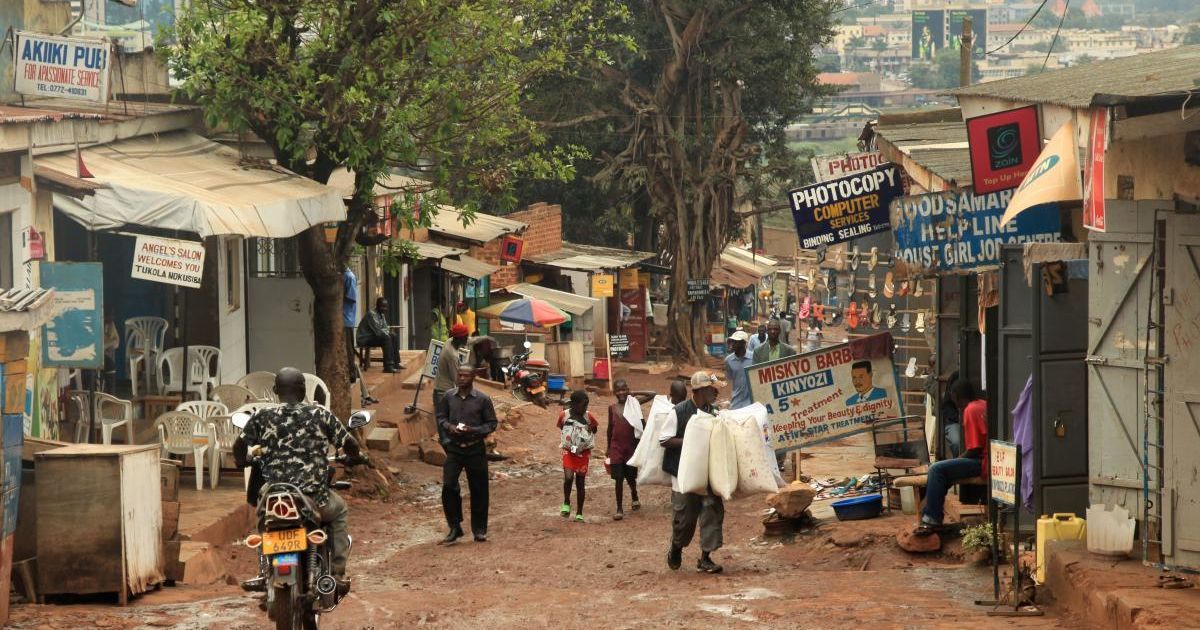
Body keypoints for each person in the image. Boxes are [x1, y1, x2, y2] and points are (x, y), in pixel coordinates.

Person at [234, 367, 365, 593]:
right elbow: (350, 443)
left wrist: (242, 461)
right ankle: (337, 573)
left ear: (276, 391)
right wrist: (356, 457)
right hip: (314, 499)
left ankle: (263, 571)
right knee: (340, 510)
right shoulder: (320, 414)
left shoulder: (262, 416)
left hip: (276, 497)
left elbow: (239, 446)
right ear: (303, 391)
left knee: (263, 517)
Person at [660, 372, 725, 574]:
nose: (714, 393)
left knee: (711, 511)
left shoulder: (714, 412)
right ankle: (676, 547)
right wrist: (690, 439)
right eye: (710, 389)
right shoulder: (679, 412)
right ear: (699, 391)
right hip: (683, 474)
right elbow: (664, 439)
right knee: (684, 519)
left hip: (708, 473)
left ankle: (705, 557)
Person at [915, 379, 987, 536]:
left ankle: (932, 519)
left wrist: (958, 459)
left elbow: (975, 449)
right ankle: (932, 514)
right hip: (986, 460)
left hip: (982, 462)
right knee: (943, 472)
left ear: (956, 396)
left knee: (936, 469)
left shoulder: (970, 410)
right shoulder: (982, 404)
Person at [436, 368, 498, 544]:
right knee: (449, 486)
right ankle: (455, 526)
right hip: (454, 448)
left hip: (475, 448)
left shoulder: (483, 399)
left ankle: (479, 529)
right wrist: (449, 427)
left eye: (465, 375)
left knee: (479, 489)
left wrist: (474, 430)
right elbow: (441, 417)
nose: (462, 378)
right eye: (459, 375)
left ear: (473, 377)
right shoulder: (448, 396)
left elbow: (491, 423)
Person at [606, 380, 655, 520]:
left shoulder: (634, 404)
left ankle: (634, 494)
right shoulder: (612, 408)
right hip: (616, 447)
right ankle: (619, 508)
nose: (621, 392)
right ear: (614, 392)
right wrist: (608, 447)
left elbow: (652, 394)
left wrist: (634, 393)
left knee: (630, 476)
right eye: (618, 390)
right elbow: (610, 428)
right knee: (618, 478)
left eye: (624, 389)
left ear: (628, 390)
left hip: (631, 447)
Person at [558, 390, 599, 522]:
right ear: (573, 404)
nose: (585, 408)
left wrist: (584, 432)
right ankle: (566, 502)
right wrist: (572, 438)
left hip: (583, 452)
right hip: (568, 451)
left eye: (587, 405)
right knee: (568, 477)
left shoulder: (588, 416)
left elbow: (595, 429)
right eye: (583, 405)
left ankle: (579, 512)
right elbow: (562, 428)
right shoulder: (564, 415)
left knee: (580, 482)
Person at [357, 298, 402, 373]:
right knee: (386, 338)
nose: (384, 309)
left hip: (373, 336)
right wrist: (387, 333)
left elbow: (385, 328)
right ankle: (388, 366)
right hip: (364, 338)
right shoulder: (371, 314)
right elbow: (378, 331)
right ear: (377, 306)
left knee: (393, 336)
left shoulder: (381, 314)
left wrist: (389, 333)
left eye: (385, 307)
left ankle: (395, 363)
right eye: (382, 306)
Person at [433, 324, 470, 402]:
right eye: (466, 337)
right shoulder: (452, 355)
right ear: (459, 338)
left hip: (439, 388)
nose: (467, 339)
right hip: (443, 393)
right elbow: (457, 379)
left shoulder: (449, 341)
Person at [724, 331, 754, 410]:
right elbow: (730, 380)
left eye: (736, 342)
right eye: (732, 341)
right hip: (736, 401)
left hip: (752, 401)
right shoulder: (728, 360)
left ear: (743, 343)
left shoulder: (754, 357)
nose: (732, 344)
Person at [343, 266, 358, 378]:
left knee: (348, 347)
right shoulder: (343, 275)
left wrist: (338, 296)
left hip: (346, 319)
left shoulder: (349, 277)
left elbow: (352, 297)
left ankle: (352, 373)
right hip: (342, 318)